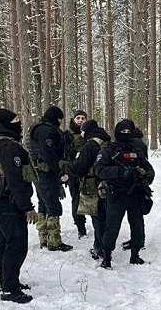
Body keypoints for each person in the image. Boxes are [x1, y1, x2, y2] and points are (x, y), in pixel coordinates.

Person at [0, 108, 39, 304]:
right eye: (15, 120)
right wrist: (27, 206)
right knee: (16, 245)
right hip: (8, 203)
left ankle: (7, 281)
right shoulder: (9, 148)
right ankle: (9, 289)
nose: (19, 123)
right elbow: (14, 179)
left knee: (4, 244)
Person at [94, 118, 155, 269]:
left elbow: (149, 169)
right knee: (112, 226)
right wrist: (120, 172)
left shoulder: (136, 150)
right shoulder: (108, 150)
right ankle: (106, 257)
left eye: (128, 131)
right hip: (116, 194)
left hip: (135, 193)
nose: (126, 134)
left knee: (138, 225)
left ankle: (135, 255)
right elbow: (99, 170)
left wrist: (144, 177)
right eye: (123, 132)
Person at [27, 105, 72, 251]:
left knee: (43, 203)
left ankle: (43, 238)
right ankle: (54, 241)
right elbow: (49, 154)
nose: (61, 122)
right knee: (53, 205)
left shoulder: (36, 128)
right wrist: (60, 172)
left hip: (37, 172)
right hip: (46, 172)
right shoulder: (47, 131)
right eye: (60, 119)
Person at [72, 120, 112, 260]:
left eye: (82, 131)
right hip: (108, 185)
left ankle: (101, 248)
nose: (81, 134)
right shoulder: (107, 142)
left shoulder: (89, 145)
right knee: (105, 216)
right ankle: (100, 245)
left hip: (93, 185)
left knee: (97, 218)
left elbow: (79, 167)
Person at [64, 110, 88, 238]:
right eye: (77, 118)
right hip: (73, 172)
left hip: (88, 173)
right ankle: (80, 226)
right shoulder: (68, 135)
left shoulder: (90, 133)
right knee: (76, 200)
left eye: (82, 118)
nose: (80, 120)